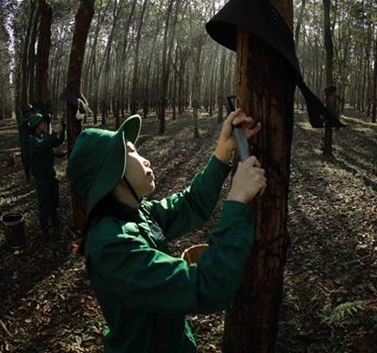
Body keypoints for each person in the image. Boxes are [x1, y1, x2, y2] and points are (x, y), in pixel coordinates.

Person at [67, 109, 265, 353]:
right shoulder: (112, 245)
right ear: (113, 172)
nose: (146, 159)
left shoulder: (137, 213)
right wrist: (237, 202)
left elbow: (191, 204)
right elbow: (207, 286)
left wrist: (223, 152)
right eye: (133, 152)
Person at [28, 113, 66, 243]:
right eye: (42, 123)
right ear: (36, 126)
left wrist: (63, 128)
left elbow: (57, 141)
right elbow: (42, 145)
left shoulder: (44, 137)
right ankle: (46, 237)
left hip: (51, 176)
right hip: (42, 180)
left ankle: (56, 227)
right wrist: (52, 136)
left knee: (54, 203)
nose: (45, 124)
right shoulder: (32, 139)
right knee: (45, 207)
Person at [18, 104, 36, 181]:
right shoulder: (23, 120)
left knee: (32, 159)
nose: (30, 113)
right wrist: (31, 117)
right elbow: (22, 123)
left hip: (30, 142)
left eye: (31, 111)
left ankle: (34, 175)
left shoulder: (29, 119)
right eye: (29, 111)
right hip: (24, 143)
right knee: (26, 161)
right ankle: (27, 175)